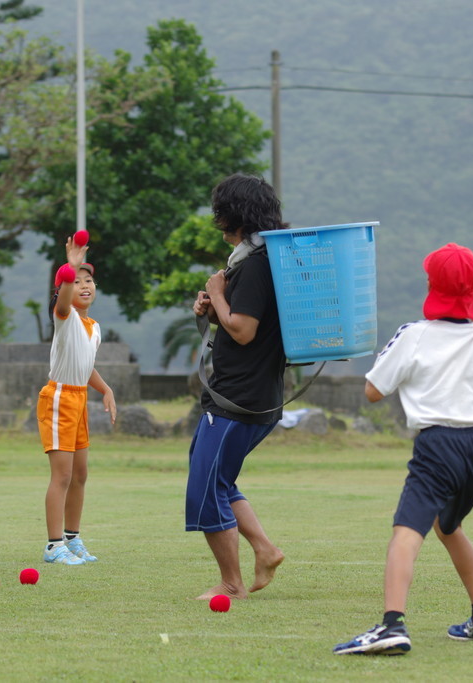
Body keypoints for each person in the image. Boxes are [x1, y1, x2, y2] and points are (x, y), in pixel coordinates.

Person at [334, 243, 473, 655]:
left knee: (406, 531)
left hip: (438, 445)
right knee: (447, 527)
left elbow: (373, 390)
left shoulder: (414, 335)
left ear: (431, 285)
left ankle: (392, 625)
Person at [187, 173, 287, 600]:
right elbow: (243, 326)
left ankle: (232, 583)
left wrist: (217, 292)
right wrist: (213, 309)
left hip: (238, 400)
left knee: (206, 487)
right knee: (220, 479)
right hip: (254, 395)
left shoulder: (256, 265)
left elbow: (244, 330)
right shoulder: (263, 259)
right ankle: (264, 549)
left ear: (233, 216)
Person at [36, 236, 116, 565]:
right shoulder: (65, 317)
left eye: (89, 280)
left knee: (80, 474)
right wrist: (69, 267)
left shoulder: (93, 326)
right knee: (63, 476)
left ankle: (72, 537)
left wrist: (105, 389)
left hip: (80, 397)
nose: (85, 285)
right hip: (58, 398)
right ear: (65, 288)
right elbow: (62, 303)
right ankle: (54, 545)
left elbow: (85, 365)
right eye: (77, 281)